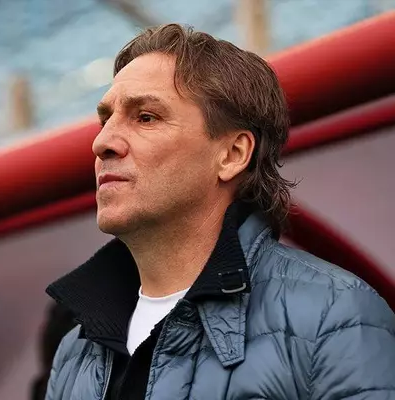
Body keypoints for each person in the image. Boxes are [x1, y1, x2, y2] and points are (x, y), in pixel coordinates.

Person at [45, 24, 395, 400]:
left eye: (145, 117)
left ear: (232, 154)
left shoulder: (335, 315)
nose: (102, 142)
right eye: (105, 120)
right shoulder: (74, 353)